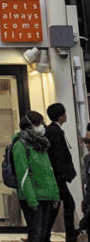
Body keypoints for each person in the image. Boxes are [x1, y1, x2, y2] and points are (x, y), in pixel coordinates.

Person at [12, 112, 60, 242]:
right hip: (33, 198)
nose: (42, 126)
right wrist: (32, 200)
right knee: (36, 235)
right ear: (29, 125)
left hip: (47, 196)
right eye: (39, 123)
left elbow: (49, 171)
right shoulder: (21, 145)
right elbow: (23, 175)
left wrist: (55, 194)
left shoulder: (41, 144)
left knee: (44, 235)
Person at [44, 102, 78, 242]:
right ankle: (69, 234)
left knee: (58, 206)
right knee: (67, 204)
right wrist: (64, 173)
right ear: (61, 116)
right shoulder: (56, 131)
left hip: (56, 175)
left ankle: (47, 234)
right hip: (58, 176)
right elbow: (59, 154)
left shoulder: (51, 130)